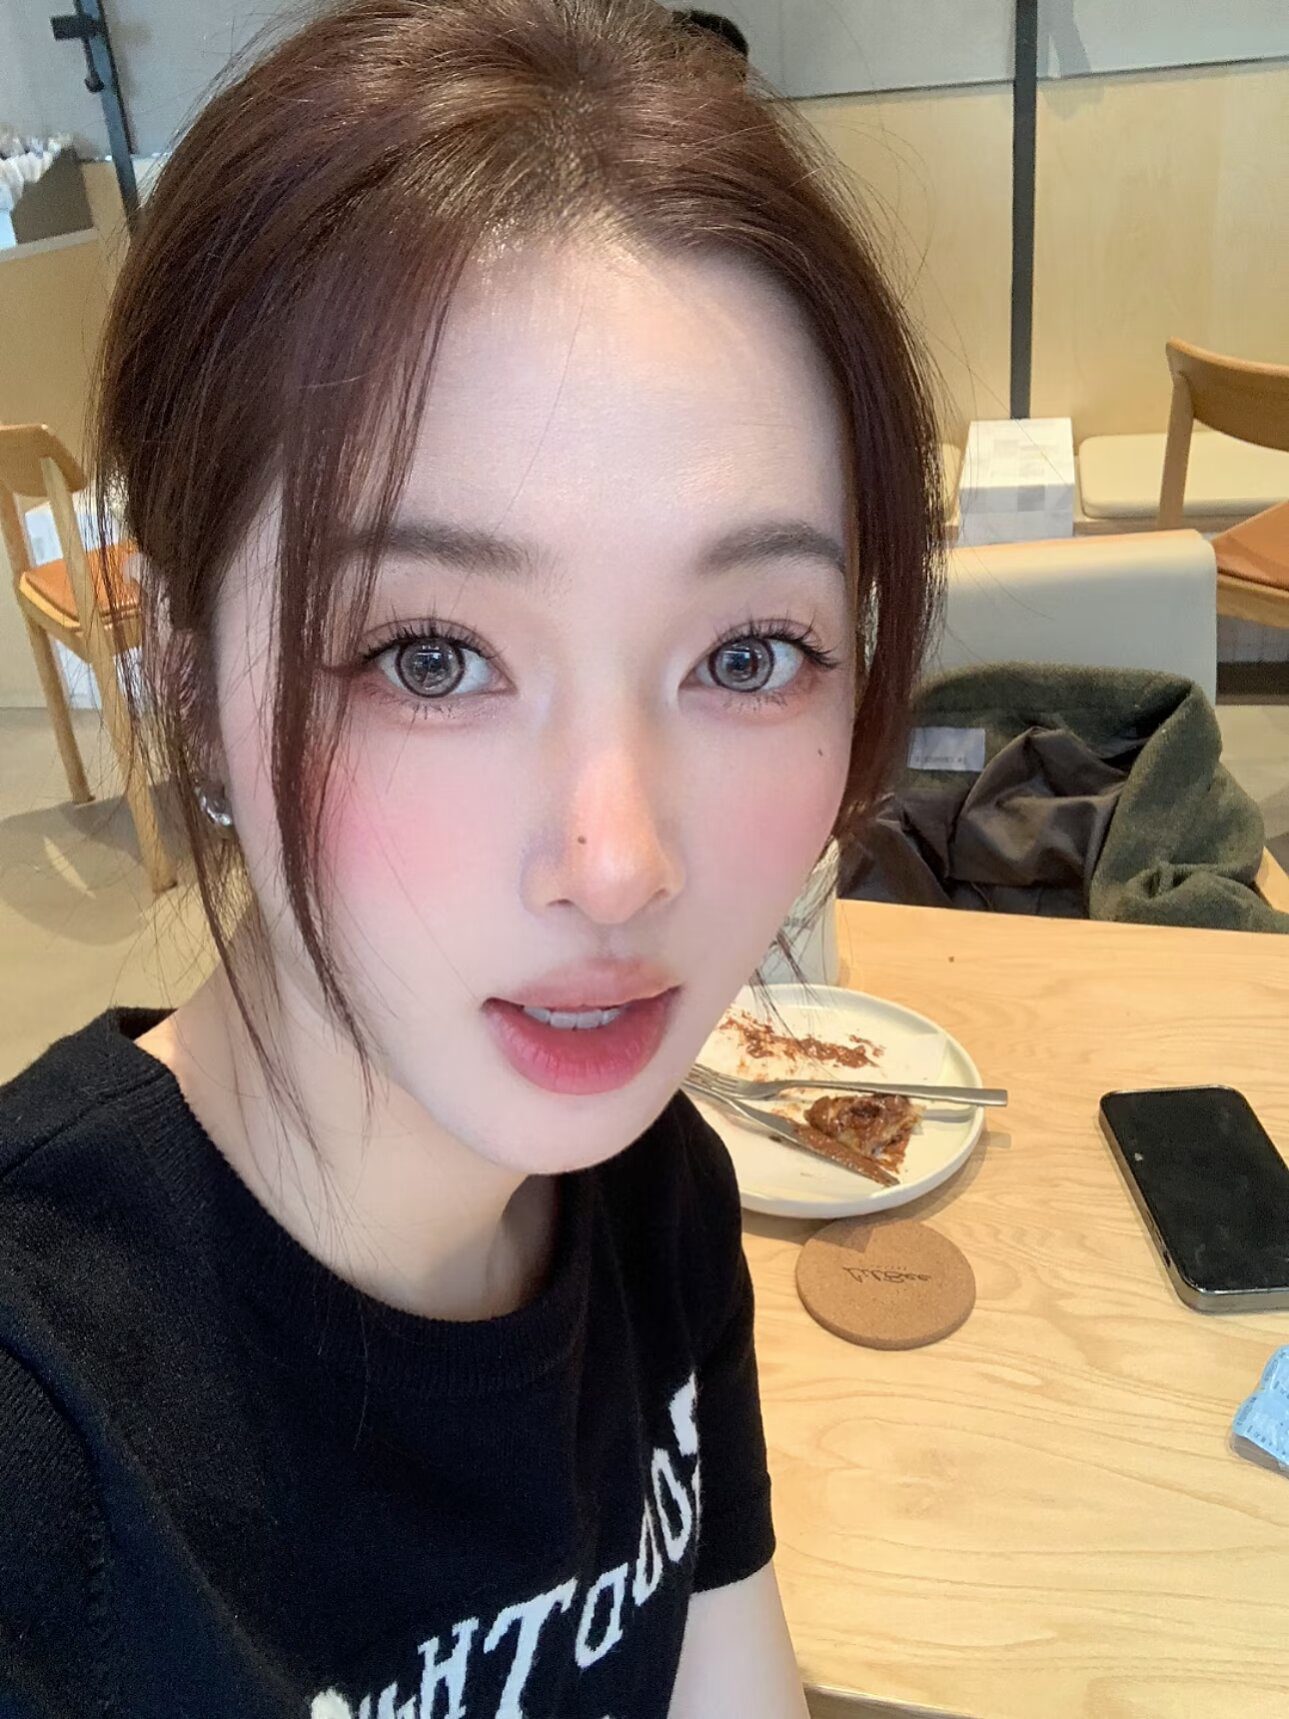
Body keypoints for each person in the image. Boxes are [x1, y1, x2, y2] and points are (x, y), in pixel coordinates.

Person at [0, 1, 941, 1713]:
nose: (618, 865)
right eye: (430, 655)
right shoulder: (45, 1433)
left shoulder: (657, 1198)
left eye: (750, 653)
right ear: (186, 678)